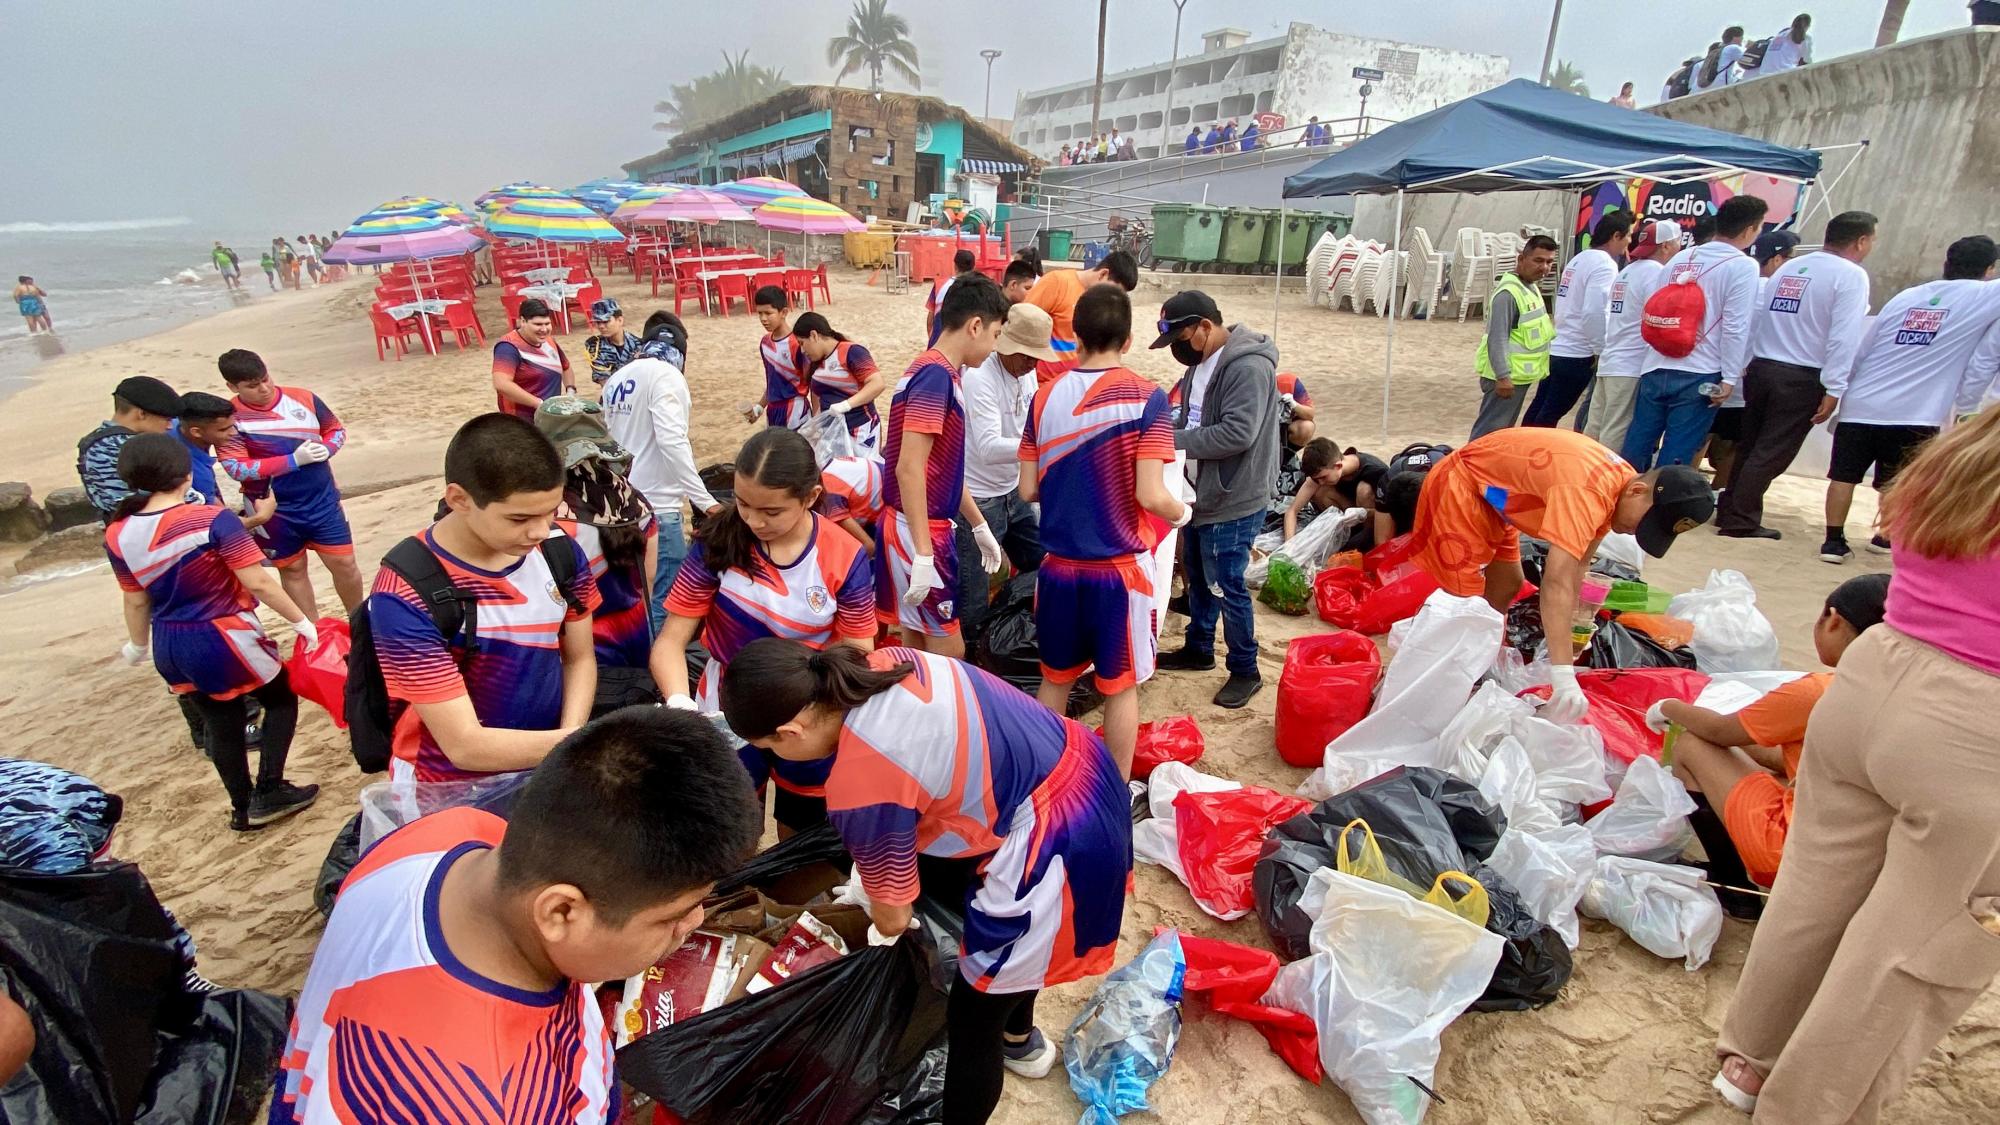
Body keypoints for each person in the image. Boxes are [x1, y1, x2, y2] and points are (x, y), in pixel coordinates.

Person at [1710, 408, 2000, 1123]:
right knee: (1920, 937)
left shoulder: (1966, 452)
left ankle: (1754, 1058)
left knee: (1818, 889)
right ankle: (1811, 1107)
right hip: (1975, 722)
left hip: (1877, 675)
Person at [270, 707, 761, 1125]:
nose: (693, 923)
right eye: (670, 916)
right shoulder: (489, 1097)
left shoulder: (455, 834)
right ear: (562, 911)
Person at [719, 640, 1132, 1125]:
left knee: (973, 1017)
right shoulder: (885, 662)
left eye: (769, 748)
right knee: (1020, 952)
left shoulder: (862, 781)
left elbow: (894, 917)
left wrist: (874, 909)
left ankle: (992, 1061)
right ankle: (1018, 1037)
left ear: (790, 730)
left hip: (1057, 836)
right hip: (1079, 760)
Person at [653, 427, 876, 830]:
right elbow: (670, 641)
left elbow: (859, 649)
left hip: (809, 710)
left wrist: (822, 710)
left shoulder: (844, 556)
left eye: (772, 512)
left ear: (810, 498)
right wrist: (680, 704)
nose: (754, 520)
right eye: (742, 503)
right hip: (726, 703)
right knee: (730, 818)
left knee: (803, 816)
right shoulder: (717, 541)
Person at [1408, 429, 1715, 721]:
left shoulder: (1619, 487)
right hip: (1464, 483)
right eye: (1644, 524)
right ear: (1638, 491)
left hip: (1501, 500)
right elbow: (1555, 581)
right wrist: (1563, 674)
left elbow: (1578, 565)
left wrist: (1576, 624)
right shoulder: (1586, 491)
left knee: (1508, 584)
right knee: (1467, 600)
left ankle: (1476, 664)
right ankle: (1436, 682)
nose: (1637, 533)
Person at [365, 413, 601, 784]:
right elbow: (464, 745)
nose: (540, 530)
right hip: (446, 786)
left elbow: (579, 657)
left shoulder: (559, 551)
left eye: (551, 511)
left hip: (547, 767)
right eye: (519, 518)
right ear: (460, 499)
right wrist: (577, 746)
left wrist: (568, 739)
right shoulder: (406, 593)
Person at [105, 433, 319, 830]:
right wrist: (301, 621)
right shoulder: (211, 520)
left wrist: (137, 645)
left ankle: (241, 807)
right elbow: (258, 582)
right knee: (282, 697)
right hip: (223, 635)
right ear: (185, 474)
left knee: (220, 723)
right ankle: (269, 789)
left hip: (169, 642)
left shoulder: (117, 532)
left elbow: (135, 599)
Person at [1019, 285, 1187, 777]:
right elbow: (1152, 496)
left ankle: (1042, 780)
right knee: (1120, 686)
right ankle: (1112, 791)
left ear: (1075, 335)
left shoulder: (1043, 397)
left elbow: (1028, 488)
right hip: (1118, 574)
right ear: (1129, 339)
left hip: (1058, 570)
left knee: (1054, 680)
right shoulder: (1147, 399)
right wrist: (1181, 514)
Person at [1651, 573, 1889, 918]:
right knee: (1770, 768)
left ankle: (1735, 888)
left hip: (1796, 855)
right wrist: (1749, 735)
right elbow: (1783, 757)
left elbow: (1718, 731)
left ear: (1833, 620)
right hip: (1861, 865)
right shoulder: (1903, 695)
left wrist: (1668, 707)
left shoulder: (1819, 691)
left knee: (1692, 746)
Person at [1818, 234, 2000, 563]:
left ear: (1947, 263)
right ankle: (1883, 536)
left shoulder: (1908, 296)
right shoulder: (1986, 296)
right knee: (1900, 481)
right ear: (1989, 269)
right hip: (1918, 412)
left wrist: (1845, 391)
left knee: (1843, 476)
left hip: (1862, 404)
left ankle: (1833, 541)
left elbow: (1865, 348)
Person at [1152, 290, 1280, 709]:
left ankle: (1246, 669)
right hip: (1199, 491)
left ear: (1205, 327)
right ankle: (1200, 648)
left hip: (1235, 494)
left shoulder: (1247, 367)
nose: (1178, 352)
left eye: (1181, 339)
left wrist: (1170, 440)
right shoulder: (1204, 363)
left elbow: (1235, 434)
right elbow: (1192, 416)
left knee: (1228, 583)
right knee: (1198, 573)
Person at [1714, 213, 1874, 539]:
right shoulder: (1850, 275)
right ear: (1860, 240)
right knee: (1772, 451)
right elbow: (1843, 336)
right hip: (1800, 373)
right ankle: (1740, 519)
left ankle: (1731, 509)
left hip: (1763, 366)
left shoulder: (1789, 268)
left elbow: (1759, 317)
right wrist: (1835, 386)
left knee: (1752, 445)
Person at [879, 276, 1010, 658]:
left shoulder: (932, 369)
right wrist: (923, 551)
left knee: (918, 642)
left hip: (914, 521)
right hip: (920, 527)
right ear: (975, 326)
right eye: (996, 334)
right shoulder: (937, 377)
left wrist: (978, 523)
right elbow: (909, 468)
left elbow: (942, 467)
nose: (994, 346)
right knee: (949, 652)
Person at [1622, 194, 1766, 471]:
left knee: (1638, 440)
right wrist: (1730, 376)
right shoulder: (1743, 265)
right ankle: (1658, 508)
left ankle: (1620, 497)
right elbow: (1735, 326)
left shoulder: (1680, 258)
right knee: (1678, 450)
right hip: (1700, 370)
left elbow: (1657, 307)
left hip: (1656, 363)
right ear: (1749, 229)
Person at [215, 349, 362, 618]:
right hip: (273, 509)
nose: (264, 388)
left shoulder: (303, 398)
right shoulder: (229, 418)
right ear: (233, 387)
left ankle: (359, 621)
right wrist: (293, 460)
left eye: (265, 379)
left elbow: (336, 429)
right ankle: (313, 635)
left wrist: (328, 448)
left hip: (322, 500)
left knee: (344, 563)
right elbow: (236, 468)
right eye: (252, 386)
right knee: (293, 569)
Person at [537, 397, 660, 716]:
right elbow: (648, 580)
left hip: (583, 640)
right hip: (636, 630)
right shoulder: (637, 504)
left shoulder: (550, 523)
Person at [599, 310, 720, 631]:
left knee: (636, 597)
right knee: (663, 601)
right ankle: (657, 674)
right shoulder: (667, 376)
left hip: (622, 504)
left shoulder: (617, 378)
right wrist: (704, 500)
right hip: (658, 508)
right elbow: (672, 440)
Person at [954, 302, 1056, 639]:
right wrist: (1041, 449)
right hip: (980, 497)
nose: (1032, 363)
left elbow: (1031, 422)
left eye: (1036, 357)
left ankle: (1024, 623)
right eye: (1027, 355)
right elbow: (987, 446)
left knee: (1044, 560)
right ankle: (971, 651)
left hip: (1013, 489)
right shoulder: (981, 378)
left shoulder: (1025, 375)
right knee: (974, 586)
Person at [1526, 214, 1634, 428]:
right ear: (1616, 235)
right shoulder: (1604, 264)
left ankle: (1521, 452)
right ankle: (1527, 457)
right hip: (1577, 353)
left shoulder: (1580, 258)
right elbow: (1594, 310)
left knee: (1540, 411)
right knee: (1547, 416)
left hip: (1559, 347)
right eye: (1628, 235)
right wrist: (1599, 349)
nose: (1630, 241)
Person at [1588, 219, 1683, 454]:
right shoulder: (1656, 274)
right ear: (1665, 246)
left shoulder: (1628, 271)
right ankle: (1605, 485)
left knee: (1594, 429)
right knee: (1615, 432)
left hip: (1612, 359)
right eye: (1678, 243)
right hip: (1630, 366)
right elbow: (1658, 318)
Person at [1470, 235, 1560, 439]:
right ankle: (1470, 470)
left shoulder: (1529, 287)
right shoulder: (1508, 294)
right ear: (1521, 259)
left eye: (1549, 262)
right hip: (1505, 378)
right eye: (1538, 260)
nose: (1544, 267)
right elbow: (1497, 337)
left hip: (1517, 376)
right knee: (1489, 434)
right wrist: (1503, 376)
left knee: (1500, 434)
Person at [77, 375, 181, 523]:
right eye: (166, 419)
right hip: (153, 527)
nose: (170, 426)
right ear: (141, 414)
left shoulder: (90, 442)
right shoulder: (136, 448)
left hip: (117, 530)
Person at [1022, 249, 1139, 378]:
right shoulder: (1058, 282)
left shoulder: (1103, 303)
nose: (1113, 297)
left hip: (1082, 382)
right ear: (1103, 274)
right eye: (1113, 290)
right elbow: (1023, 320)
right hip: (1046, 381)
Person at [791, 310, 886, 452]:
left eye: (802, 343)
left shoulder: (852, 352)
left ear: (814, 335)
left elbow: (877, 384)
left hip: (860, 429)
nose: (802, 350)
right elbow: (822, 397)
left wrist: (846, 405)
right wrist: (816, 424)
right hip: (832, 431)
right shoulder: (816, 362)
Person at [1283, 437, 1390, 546]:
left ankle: (1365, 539)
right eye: (1316, 479)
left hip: (1377, 521)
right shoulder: (1323, 474)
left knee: (1364, 490)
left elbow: (1393, 512)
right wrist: (1289, 546)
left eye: (1323, 477)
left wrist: (1364, 513)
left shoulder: (1376, 471)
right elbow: (1292, 511)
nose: (1320, 482)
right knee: (1320, 490)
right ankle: (1344, 534)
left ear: (1338, 466)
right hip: (1348, 518)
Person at [491, 298, 572, 420]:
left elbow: (566, 367)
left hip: (550, 417)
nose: (544, 329)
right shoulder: (508, 347)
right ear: (523, 321)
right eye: (538, 324)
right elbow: (501, 384)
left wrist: (571, 391)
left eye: (547, 324)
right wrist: (539, 404)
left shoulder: (548, 341)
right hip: (521, 421)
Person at [753, 285, 813, 429]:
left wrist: (817, 418)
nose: (763, 319)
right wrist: (760, 407)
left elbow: (813, 383)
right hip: (773, 411)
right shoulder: (765, 343)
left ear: (784, 312)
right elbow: (772, 381)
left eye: (768, 313)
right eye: (759, 313)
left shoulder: (798, 344)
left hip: (795, 410)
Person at [821, 453, 887, 552]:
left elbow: (868, 546)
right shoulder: (826, 471)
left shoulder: (828, 499)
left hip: (896, 503)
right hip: (890, 488)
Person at [581, 298, 642, 384]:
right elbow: (606, 383)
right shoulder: (595, 347)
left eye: (606, 321)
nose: (601, 326)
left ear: (620, 320)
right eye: (598, 322)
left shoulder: (639, 344)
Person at [927, 249, 979, 347]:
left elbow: (930, 319)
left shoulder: (940, 285)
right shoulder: (979, 288)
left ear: (955, 265)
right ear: (973, 267)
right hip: (965, 345)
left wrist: (932, 339)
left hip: (938, 342)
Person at [1694, 26, 1746, 92]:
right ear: (1735, 38)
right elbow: (1747, 61)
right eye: (1741, 37)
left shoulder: (1716, 51)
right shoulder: (1733, 48)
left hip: (1705, 87)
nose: (1742, 39)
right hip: (1721, 86)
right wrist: (1751, 47)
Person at [1276, 371, 1316, 449]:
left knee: (1306, 427)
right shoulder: (1251, 382)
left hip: (1283, 427)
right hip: (1258, 428)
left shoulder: (1288, 381)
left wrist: (1294, 405)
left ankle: (1286, 458)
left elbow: (1310, 414)